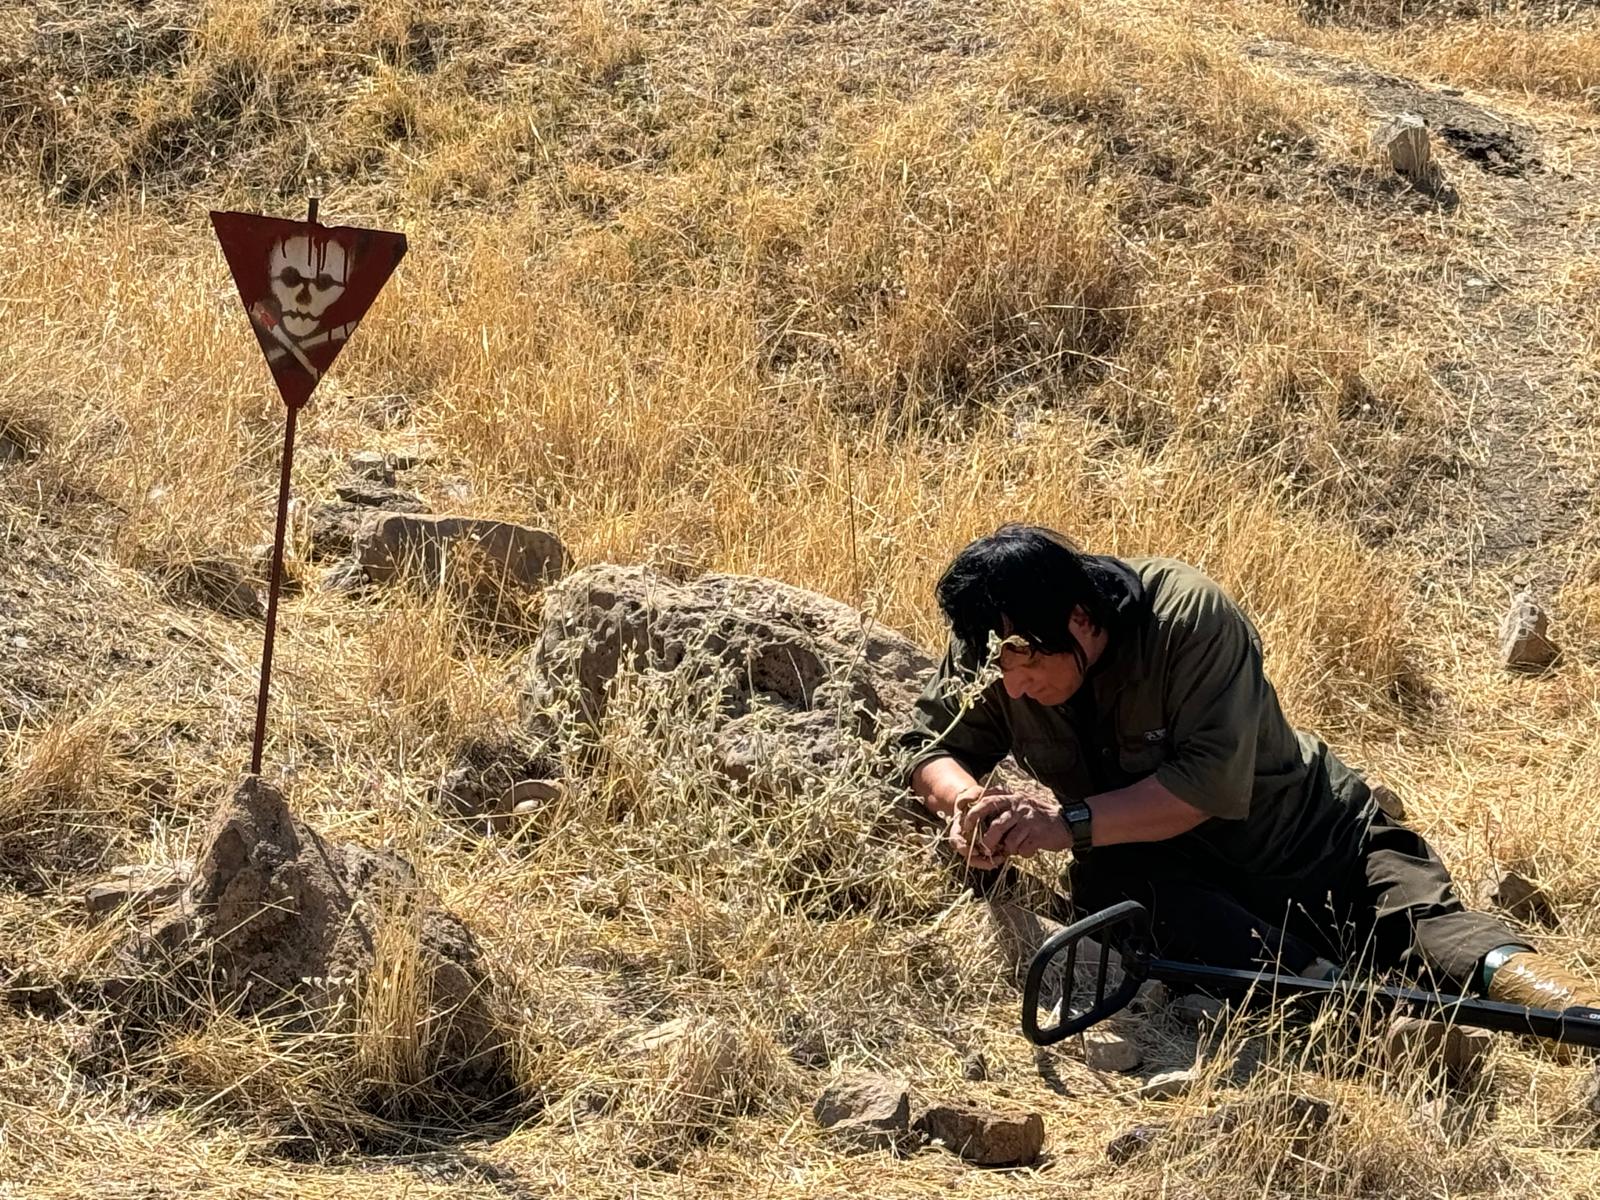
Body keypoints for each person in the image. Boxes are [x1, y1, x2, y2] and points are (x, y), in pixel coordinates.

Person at [899, 524, 1599, 1017]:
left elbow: (1204, 784)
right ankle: (1355, 1014)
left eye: (1026, 663)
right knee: (1129, 896)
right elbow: (929, 746)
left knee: (1429, 932)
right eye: (998, 666)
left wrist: (1065, 822)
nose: (1012, 686)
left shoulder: (1186, 618)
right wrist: (969, 804)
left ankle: (1574, 1009)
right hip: (1174, 881)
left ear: (1080, 618)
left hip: (1314, 844)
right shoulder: (1002, 635)